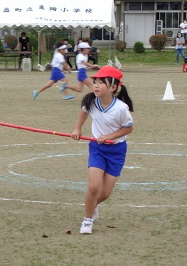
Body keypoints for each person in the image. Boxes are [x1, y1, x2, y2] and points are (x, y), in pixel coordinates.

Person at [71, 66, 134, 234]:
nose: (96, 86)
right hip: (97, 148)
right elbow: (84, 112)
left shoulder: (121, 108)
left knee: (105, 193)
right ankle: (87, 219)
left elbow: (128, 129)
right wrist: (77, 129)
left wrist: (110, 136)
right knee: (93, 187)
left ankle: (94, 205)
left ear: (113, 87)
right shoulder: (90, 100)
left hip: (117, 150)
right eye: (95, 82)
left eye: (101, 82)